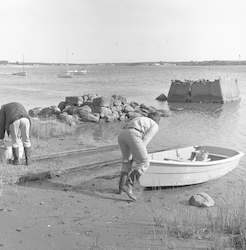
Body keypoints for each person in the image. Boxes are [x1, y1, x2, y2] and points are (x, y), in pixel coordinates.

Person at [118, 112, 160, 201]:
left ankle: (120, 190)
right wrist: (137, 153)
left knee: (127, 162)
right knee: (144, 163)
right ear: (157, 120)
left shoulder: (140, 119)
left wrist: (135, 153)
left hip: (122, 134)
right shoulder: (155, 125)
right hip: (133, 134)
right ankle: (128, 185)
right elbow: (145, 139)